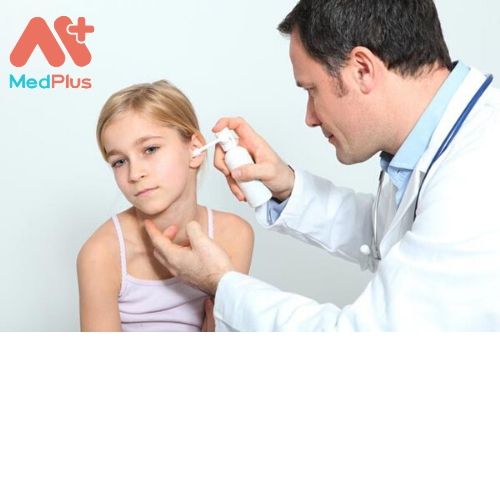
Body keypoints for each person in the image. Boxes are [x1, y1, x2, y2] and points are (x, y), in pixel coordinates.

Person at [144, 0, 500, 331]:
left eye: (311, 90)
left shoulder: (477, 176)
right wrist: (286, 186)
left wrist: (221, 284)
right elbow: (390, 231)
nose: (310, 117)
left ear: (362, 69)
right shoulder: (440, 150)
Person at [77, 80, 254, 331]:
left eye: (150, 149)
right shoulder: (101, 254)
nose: (135, 173)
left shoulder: (234, 235)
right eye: (119, 161)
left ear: (195, 149)